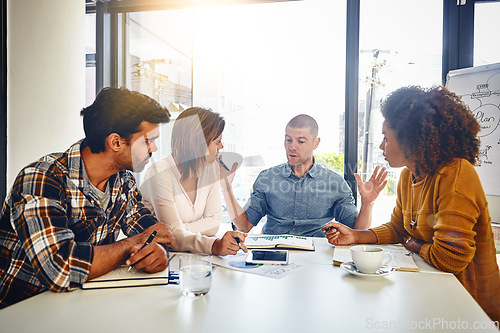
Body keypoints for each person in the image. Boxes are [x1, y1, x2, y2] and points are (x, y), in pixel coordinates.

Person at [324, 86, 500, 321]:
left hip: (469, 307)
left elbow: (450, 258)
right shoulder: (408, 176)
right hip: (432, 293)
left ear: (411, 140)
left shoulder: (456, 174)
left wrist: (413, 244)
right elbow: (399, 228)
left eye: (386, 138)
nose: (381, 146)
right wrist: (356, 236)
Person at [0, 87, 175, 309]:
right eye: (148, 140)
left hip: (82, 304)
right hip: (20, 310)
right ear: (116, 142)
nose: (154, 148)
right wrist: (134, 243)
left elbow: (155, 232)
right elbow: (60, 267)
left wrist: (156, 251)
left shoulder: (123, 181)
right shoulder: (41, 178)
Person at [220, 114, 388, 237]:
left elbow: (357, 232)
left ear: (316, 143)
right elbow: (243, 226)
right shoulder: (267, 178)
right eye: (288, 140)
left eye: (301, 141)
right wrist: (226, 188)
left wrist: (367, 204)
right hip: (273, 253)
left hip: (318, 256)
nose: (292, 147)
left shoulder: (334, 183)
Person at [140, 107, 247, 256]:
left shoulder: (210, 169)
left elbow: (214, 222)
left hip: (189, 255)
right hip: (157, 258)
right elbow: (173, 237)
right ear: (198, 143)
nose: (221, 147)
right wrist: (213, 244)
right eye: (217, 141)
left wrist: (181, 230)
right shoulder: (159, 173)